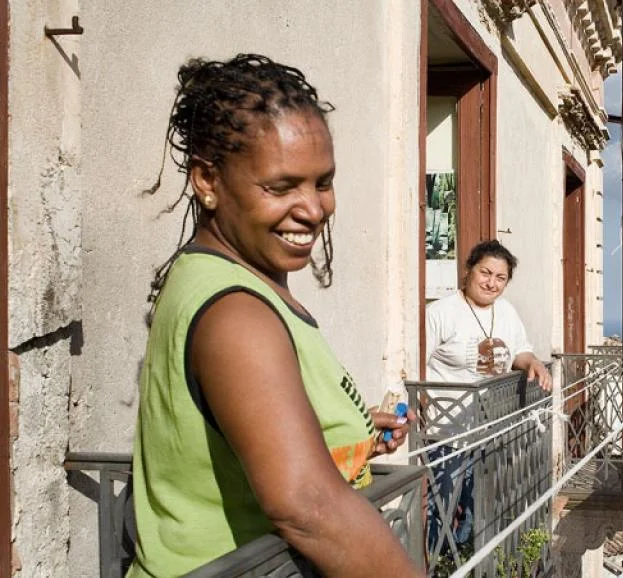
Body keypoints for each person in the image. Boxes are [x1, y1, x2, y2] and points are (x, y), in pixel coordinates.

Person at [130, 54, 422, 577]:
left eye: (323, 182)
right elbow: (309, 506)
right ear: (207, 180)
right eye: (281, 187)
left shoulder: (236, 280)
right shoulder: (236, 314)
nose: (313, 209)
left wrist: (350, 433)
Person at [423, 239, 552, 555]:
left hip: (490, 434)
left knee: (476, 514)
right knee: (440, 514)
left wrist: (532, 363)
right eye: (485, 273)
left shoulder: (506, 311)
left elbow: (520, 351)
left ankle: (463, 562)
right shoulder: (439, 313)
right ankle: (440, 566)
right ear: (468, 270)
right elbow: (416, 367)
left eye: (500, 277)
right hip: (447, 435)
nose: (491, 283)